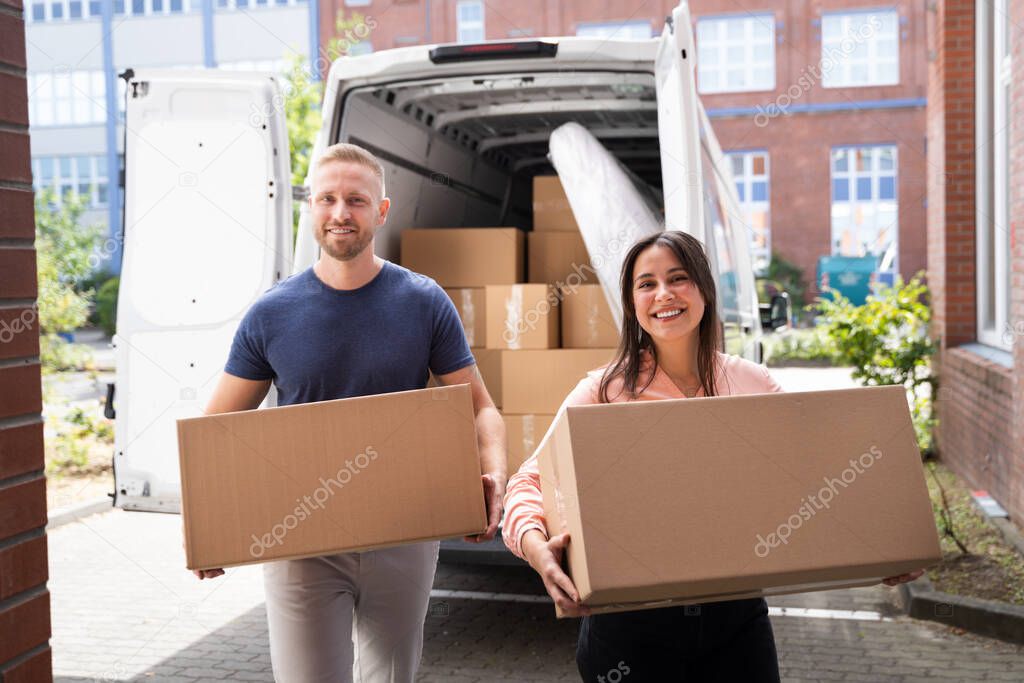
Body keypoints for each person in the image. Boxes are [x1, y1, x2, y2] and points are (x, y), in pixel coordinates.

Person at [502, 230, 922, 681]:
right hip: (629, 630)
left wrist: (883, 546)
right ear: (631, 302)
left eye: (677, 278)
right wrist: (538, 552)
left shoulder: (753, 384)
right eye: (646, 284)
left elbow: (815, 481)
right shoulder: (603, 391)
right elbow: (529, 482)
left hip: (735, 623)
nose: (663, 294)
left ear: (703, 288)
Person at [190, 142, 507, 683]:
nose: (340, 213)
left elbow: (482, 410)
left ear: (381, 211)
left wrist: (494, 472)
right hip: (302, 542)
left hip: (406, 530)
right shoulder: (271, 313)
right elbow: (215, 432)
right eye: (327, 199)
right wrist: (206, 526)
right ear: (310, 207)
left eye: (356, 200)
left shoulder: (423, 301)